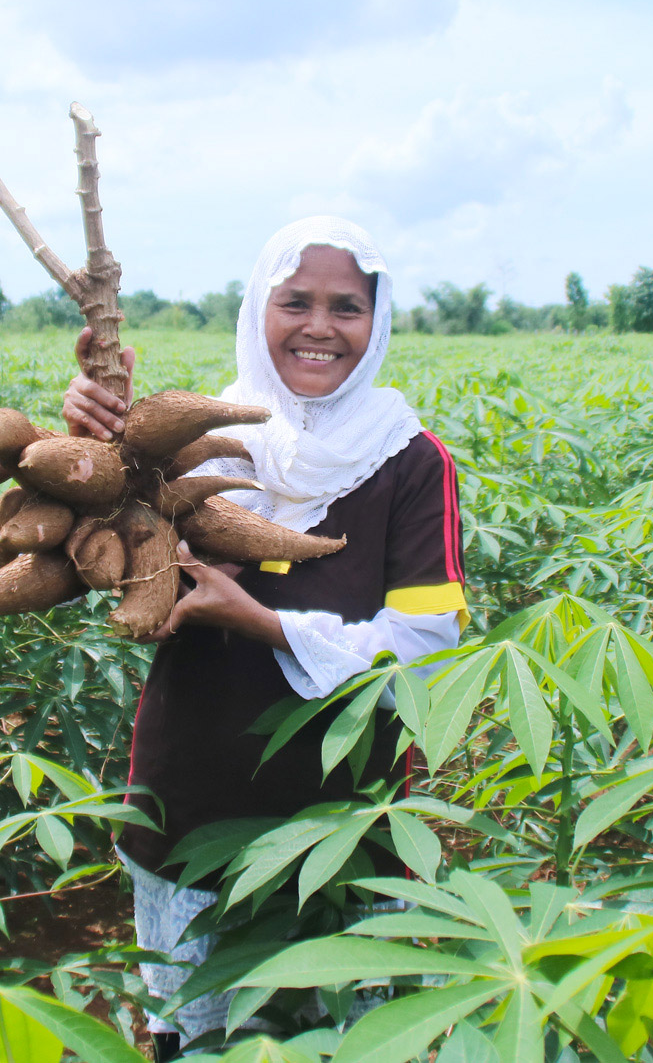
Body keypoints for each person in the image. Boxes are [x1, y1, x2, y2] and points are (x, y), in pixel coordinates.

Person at [61, 217, 467, 1056]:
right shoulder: (198, 438)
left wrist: (268, 625)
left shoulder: (410, 461)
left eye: (347, 306)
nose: (320, 326)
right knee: (198, 1035)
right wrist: (97, 439)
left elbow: (427, 645)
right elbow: (112, 568)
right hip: (189, 802)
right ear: (259, 309)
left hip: (342, 824)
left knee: (334, 1037)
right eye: (296, 302)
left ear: (377, 321)